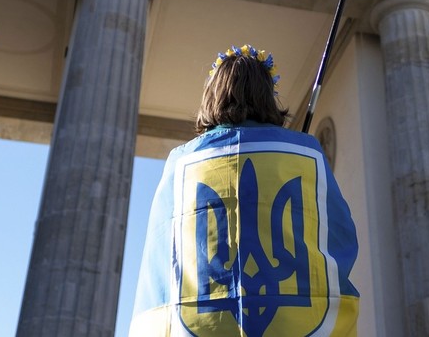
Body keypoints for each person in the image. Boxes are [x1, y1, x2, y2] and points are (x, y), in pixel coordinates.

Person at [129, 45, 360, 336]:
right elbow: (340, 235)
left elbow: (162, 256)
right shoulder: (306, 154)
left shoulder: (182, 163)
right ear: (268, 95)